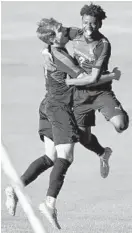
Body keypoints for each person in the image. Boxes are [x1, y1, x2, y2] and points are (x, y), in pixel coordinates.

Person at [5, 17, 120, 229]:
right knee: (66, 155)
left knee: (50, 157)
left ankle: (15, 188)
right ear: (52, 38)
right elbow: (87, 79)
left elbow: (75, 32)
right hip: (59, 108)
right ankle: (49, 204)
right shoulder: (58, 55)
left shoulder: (54, 47)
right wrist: (112, 75)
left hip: (47, 104)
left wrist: (47, 47)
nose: (65, 31)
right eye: (60, 30)